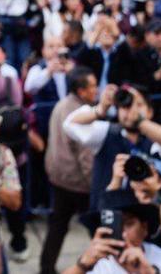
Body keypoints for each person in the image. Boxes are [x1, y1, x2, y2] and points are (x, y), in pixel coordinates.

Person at [63, 84, 161, 211]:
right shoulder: (106, 133)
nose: (131, 110)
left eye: (139, 105)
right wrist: (101, 109)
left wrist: (140, 121)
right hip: (109, 215)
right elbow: (70, 125)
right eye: (125, 106)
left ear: (150, 111)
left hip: (147, 217)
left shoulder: (158, 139)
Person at [41, 67, 98, 274]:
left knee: (57, 227)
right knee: (97, 229)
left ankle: (46, 268)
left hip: (58, 178)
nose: (96, 89)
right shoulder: (82, 113)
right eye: (92, 86)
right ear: (81, 91)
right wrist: (95, 185)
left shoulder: (62, 104)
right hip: (77, 183)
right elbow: (85, 155)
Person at [64, 188, 161, 274]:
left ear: (144, 227)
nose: (123, 234)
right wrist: (81, 266)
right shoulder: (99, 265)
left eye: (129, 224)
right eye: (114, 226)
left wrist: (148, 272)